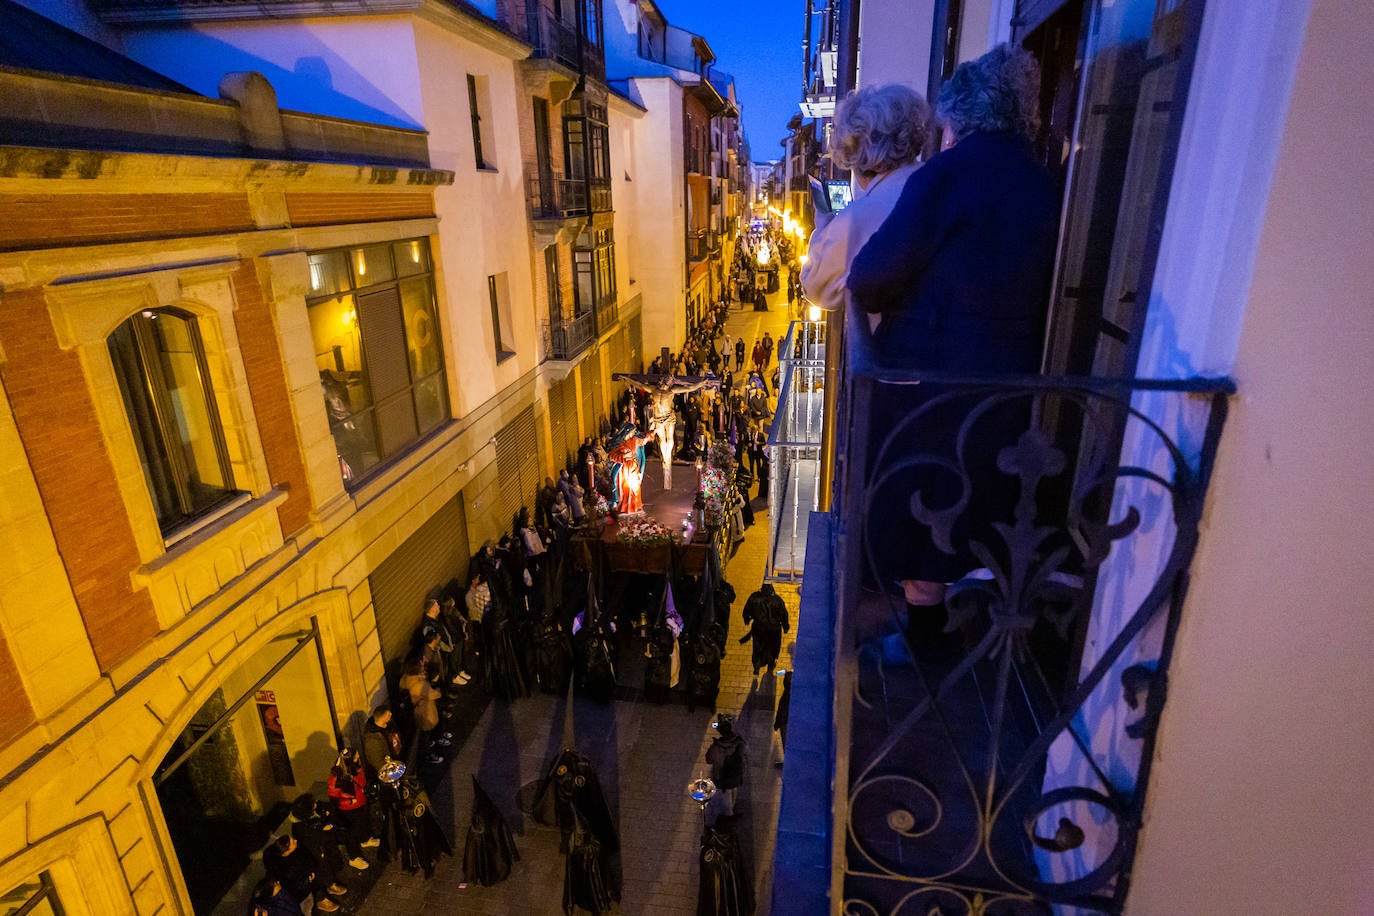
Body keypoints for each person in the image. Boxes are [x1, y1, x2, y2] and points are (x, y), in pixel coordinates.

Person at [846, 44, 1058, 636]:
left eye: (943, 128)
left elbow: (871, 277)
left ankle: (923, 646)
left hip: (933, 387)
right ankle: (943, 633)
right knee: (968, 511)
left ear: (960, 119)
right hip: (1008, 385)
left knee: (923, 514)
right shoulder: (1043, 181)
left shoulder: (950, 175)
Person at [262, 834, 340, 913]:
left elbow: (307, 856)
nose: (296, 841)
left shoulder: (294, 849)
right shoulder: (287, 869)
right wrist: (308, 877)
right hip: (299, 890)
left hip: (305, 873)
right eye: (293, 842)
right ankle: (319, 900)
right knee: (312, 888)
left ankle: (325, 889)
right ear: (286, 852)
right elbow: (297, 884)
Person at [327, 748, 380, 860]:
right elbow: (334, 798)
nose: (358, 758)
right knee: (352, 833)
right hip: (348, 809)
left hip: (361, 802)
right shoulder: (336, 778)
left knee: (363, 822)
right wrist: (350, 801)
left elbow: (362, 782)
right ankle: (354, 857)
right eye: (356, 757)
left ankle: (365, 839)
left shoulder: (355, 768)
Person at [400, 650, 448, 766]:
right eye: (421, 666)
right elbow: (435, 694)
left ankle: (428, 747)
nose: (423, 666)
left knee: (423, 734)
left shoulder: (405, 679)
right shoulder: (420, 685)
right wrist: (436, 688)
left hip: (416, 712)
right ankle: (428, 754)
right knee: (425, 735)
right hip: (425, 713)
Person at [740, 584, 789, 675]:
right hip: (774, 630)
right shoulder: (778, 600)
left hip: (759, 629)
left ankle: (756, 666)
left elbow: (746, 611)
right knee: (773, 648)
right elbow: (784, 614)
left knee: (757, 648)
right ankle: (770, 667)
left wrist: (747, 620)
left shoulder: (754, 597)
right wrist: (786, 627)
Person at [705, 713, 745, 816]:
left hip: (723, 778)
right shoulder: (739, 742)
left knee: (726, 798)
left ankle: (729, 816)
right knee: (733, 790)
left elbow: (708, 759)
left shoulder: (716, 747)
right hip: (736, 775)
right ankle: (733, 807)